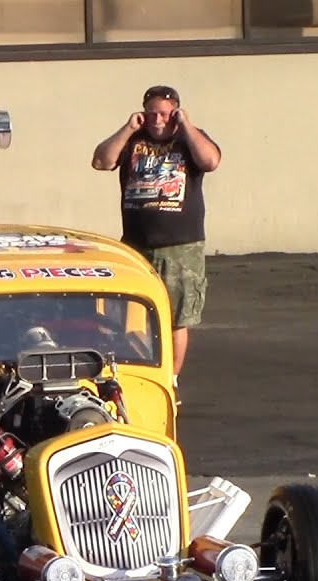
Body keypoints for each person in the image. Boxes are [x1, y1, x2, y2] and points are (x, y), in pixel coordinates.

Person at [90, 84, 221, 395]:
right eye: (151, 113)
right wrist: (127, 128)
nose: (157, 119)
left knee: (176, 316)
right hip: (136, 244)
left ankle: (169, 379)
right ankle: (126, 372)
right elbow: (101, 161)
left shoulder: (190, 138)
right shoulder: (133, 140)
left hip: (180, 245)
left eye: (163, 113)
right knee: (125, 313)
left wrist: (185, 125)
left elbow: (211, 161)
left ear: (175, 111)